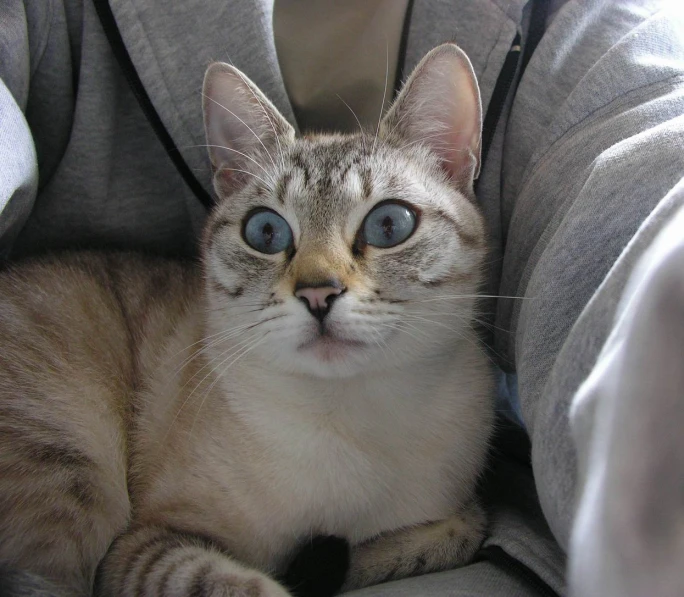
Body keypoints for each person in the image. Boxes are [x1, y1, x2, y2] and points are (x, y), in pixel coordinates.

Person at [1, 1, 684, 595]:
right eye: (269, 231)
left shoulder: (595, 30)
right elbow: (137, 558)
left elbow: (649, 167)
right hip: (65, 340)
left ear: (452, 166)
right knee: (58, 536)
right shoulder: (222, 408)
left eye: (387, 225)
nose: (319, 281)